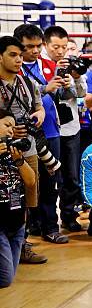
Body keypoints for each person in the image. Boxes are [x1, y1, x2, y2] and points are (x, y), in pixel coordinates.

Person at [14, 24, 69, 245]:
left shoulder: (50, 64)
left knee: (50, 180)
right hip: (24, 135)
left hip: (51, 131)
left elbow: (67, 95)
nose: (35, 51)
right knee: (25, 182)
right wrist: (45, 88)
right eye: (29, 47)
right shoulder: (13, 69)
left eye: (39, 46)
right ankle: (26, 230)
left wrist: (66, 84)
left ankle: (50, 226)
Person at [0, 36, 47, 264]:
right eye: (13, 55)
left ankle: (22, 243)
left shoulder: (27, 83)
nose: (19, 60)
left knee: (28, 198)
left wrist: (38, 116)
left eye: (20, 55)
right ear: (0, 56)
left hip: (27, 149)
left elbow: (39, 109)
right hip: (1, 152)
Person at [43, 25, 87, 232]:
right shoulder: (38, 65)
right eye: (56, 47)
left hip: (70, 128)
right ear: (46, 45)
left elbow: (80, 95)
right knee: (50, 177)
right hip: (49, 129)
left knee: (72, 176)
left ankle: (69, 216)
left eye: (64, 46)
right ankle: (45, 220)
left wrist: (74, 79)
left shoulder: (71, 64)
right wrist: (51, 83)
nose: (60, 51)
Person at [0, 109, 36, 287]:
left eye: (13, 128)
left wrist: (19, 161)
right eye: (7, 125)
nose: (10, 131)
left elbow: (31, 182)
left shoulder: (14, 151)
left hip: (17, 222)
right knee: (5, 279)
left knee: (9, 276)